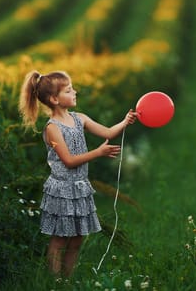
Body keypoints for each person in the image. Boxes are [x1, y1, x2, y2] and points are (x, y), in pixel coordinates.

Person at [18, 70, 137, 277]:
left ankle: (68, 280)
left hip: (80, 187)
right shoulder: (52, 129)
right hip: (62, 189)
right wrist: (98, 152)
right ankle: (55, 283)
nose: (75, 92)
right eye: (69, 90)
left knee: (77, 238)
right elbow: (69, 161)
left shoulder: (79, 118)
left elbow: (108, 132)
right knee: (59, 239)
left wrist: (125, 121)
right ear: (54, 99)